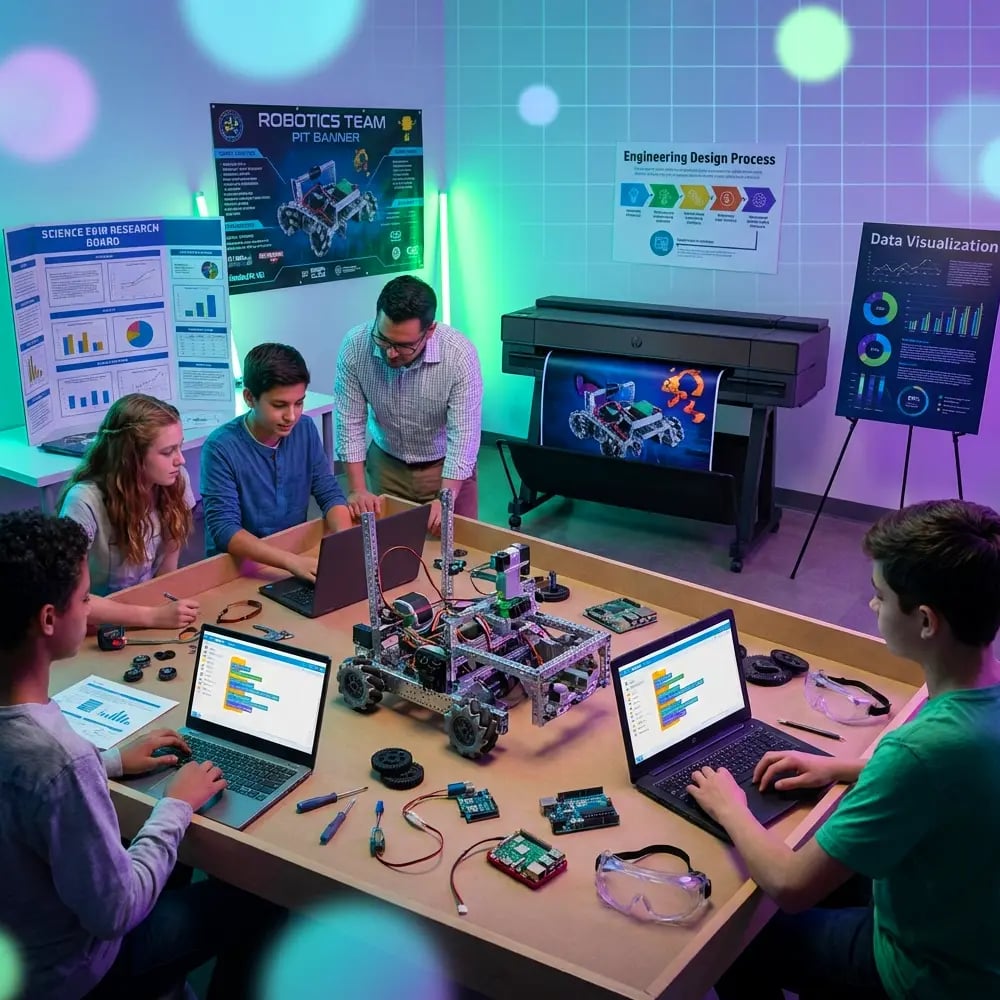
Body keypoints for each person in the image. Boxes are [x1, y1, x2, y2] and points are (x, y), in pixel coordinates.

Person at [687, 499, 1000, 1000]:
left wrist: (730, 807)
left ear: (925, 621)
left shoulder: (917, 751)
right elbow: (955, 773)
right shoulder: (982, 700)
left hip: (928, 975)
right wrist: (839, 767)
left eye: (879, 595)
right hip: (976, 935)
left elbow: (791, 886)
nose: (872, 606)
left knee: (738, 936)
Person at [0, 509, 283, 999]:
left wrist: (112, 763)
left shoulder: (49, 753)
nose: (90, 610)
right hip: (77, 974)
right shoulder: (62, 760)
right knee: (267, 897)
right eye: (85, 599)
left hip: (20, 945)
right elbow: (115, 911)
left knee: (171, 859)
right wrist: (176, 804)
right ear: (49, 619)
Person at [335, 275, 483, 534]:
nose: (391, 352)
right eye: (383, 339)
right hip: (386, 465)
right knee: (389, 549)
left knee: (456, 554)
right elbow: (349, 423)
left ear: (430, 331)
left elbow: (464, 437)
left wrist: (445, 499)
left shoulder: (459, 355)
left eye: (403, 346)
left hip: (445, 470)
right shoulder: (355, 346)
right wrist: (358, 490)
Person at [201, 343, 352, 580]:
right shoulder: (220, 447)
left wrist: (347, 543)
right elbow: (225, 530)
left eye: (299, 403)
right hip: (238, 568)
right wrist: (291, 562)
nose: (291, 416)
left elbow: (329, 493)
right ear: (250, 398)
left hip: (293, 556)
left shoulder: (305, 429)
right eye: (279, 405)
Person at [58, 394, 200, 630]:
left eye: (180, 447)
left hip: (148, 611)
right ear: (130, 458)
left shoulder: (175, 481)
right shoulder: (84, 501)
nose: (181, 460)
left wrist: (161, 612)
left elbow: (167, 574)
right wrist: (153, 617)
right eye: (167, 452)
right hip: (92, 626)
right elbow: (70, 598)